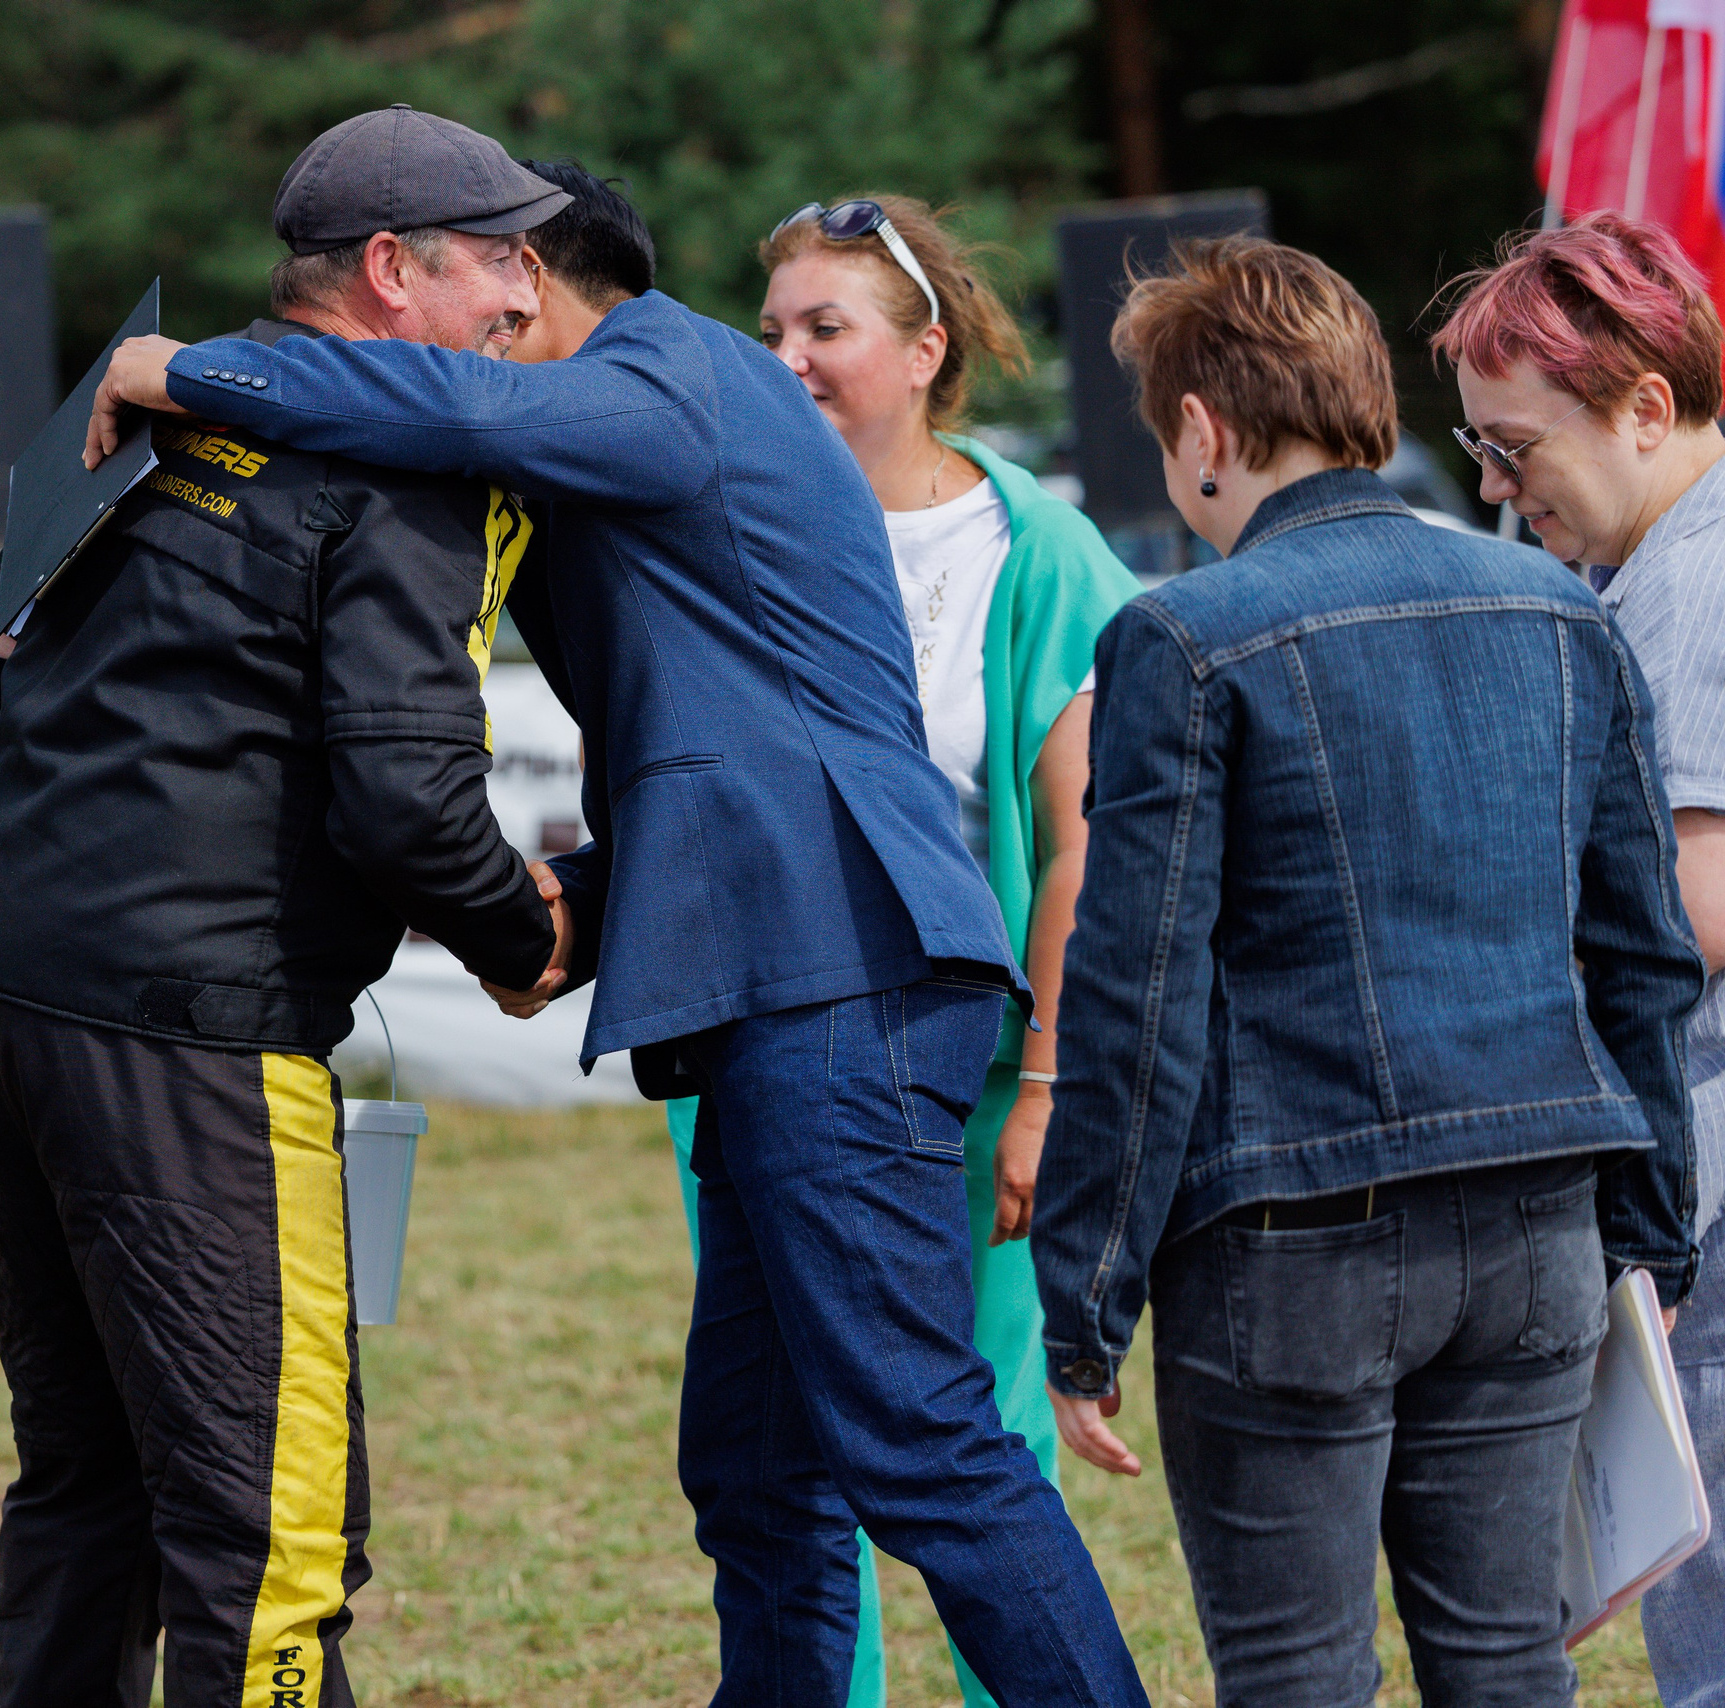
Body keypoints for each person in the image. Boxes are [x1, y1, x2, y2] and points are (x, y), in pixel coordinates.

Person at [89, 160, 1148, 1708]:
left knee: (919, 1443)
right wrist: (555, 918)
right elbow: (715, 743)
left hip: (835, 967)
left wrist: (180, 369)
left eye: (489, 299)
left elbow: (465, 418)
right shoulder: (663, 410)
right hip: (796, 973)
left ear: (534, 277)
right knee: (758, 1470)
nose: (470, 333)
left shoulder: (666, 367)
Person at [0, 106, 568, 1708]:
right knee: (261, 1539)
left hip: (1, 978)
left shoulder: (137, 402)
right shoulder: (407, 470)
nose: (523, 298)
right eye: (496, 259)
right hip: (190, 1033)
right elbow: (410, 805)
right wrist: (526, 936)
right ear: (384, 273)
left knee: (85, 1490)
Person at [1031, 234, 1706, 1706]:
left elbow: (1138, 995)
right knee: (1508, 1661)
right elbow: (1641, 956)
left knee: (1296, 1677)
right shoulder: (1559, 615)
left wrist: (1082, 1297)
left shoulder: (1182, 637)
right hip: (1542, 1223)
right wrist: (1653, 1233)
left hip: (1290, 1239)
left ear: (1201, 430)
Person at [707, 192, 1136, 1708]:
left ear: (923, 348)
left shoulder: (1040, 551)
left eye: (825, 327)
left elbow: (1084, 838)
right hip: (764, 1058)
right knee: (784, 1452)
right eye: (772, 332)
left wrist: (1044, 1085)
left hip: (968, 1066)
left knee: (974, 1432)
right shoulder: (726, 526)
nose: (788, 359)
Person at [1433, 210, 1725, 1707]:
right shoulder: (1651, 571)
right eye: (1480, 451)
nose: (1497, 486)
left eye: (1516, 447)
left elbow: (1692, 906)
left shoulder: (1693, 584)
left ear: (1647, 406)